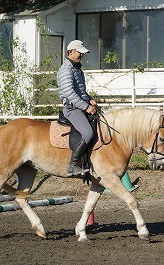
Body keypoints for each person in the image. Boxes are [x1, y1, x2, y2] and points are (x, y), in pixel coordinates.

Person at [57, 40, 97, 176]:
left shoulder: (76, 68)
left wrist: (89, 98)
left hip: (80, 105)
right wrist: (86, 107)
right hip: (72, 108)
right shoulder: (66, 69)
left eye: (82, 53)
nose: (82, 55)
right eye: (79, 53)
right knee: (88, 133)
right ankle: (73, 165)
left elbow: (80, 91)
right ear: (71, 52)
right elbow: (69, 93)